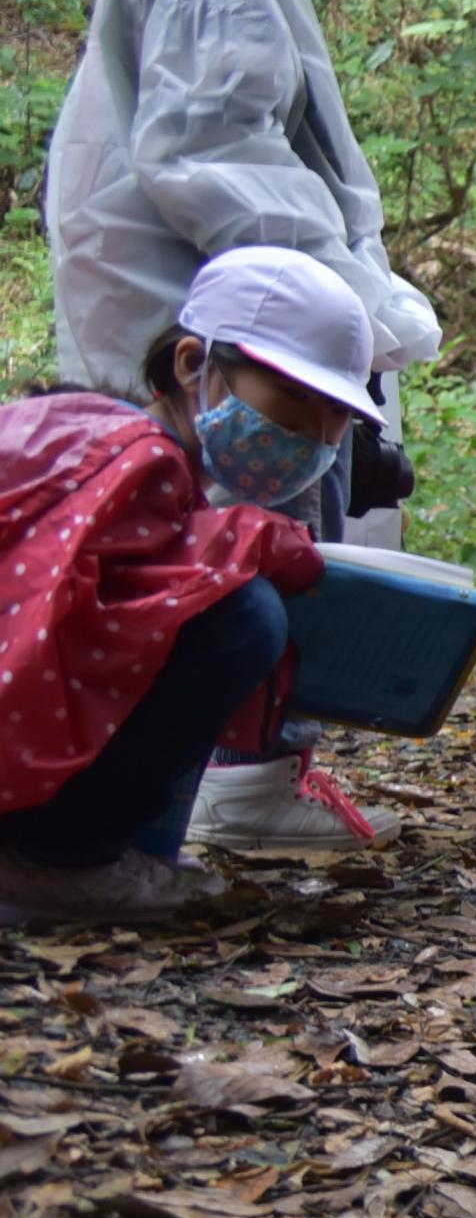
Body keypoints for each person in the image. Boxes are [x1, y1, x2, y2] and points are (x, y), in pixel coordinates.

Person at [39, 0, 442, 524]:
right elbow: (217, 157)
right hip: (227, 320)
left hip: (182, 308)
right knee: (243, 553)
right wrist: (346, 301)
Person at [0, 248, 386, 921]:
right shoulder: (137, 460)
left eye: (334, 415)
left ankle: (104, 854)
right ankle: (58, 860)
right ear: (190, 366)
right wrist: (258, 543)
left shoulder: (106, 437)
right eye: (291, 396)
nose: (312, 433)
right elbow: (62, 602)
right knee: (240, 614)